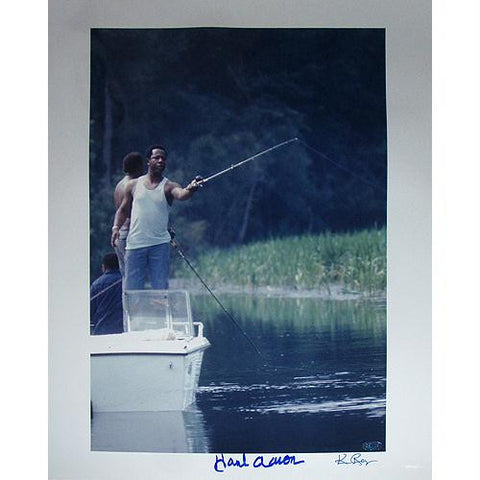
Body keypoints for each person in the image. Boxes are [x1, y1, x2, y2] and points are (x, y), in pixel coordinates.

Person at [111, 144, 202, 290]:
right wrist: (116, 227)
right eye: (156, 158)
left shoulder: (169, 186)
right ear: (148, 161)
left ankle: (161, 312)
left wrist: (192, 188)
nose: (160, 161)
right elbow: (122, 210)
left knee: (160, 288)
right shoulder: (133, 185)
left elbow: (182, 194)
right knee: (132, 289)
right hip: (135, 244)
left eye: (163, 159)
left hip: (159, 245)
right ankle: (134, 313)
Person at [113, 151, 144, 276]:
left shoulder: (119, 185)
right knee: (134, 276)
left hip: (119, 235)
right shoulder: (133, 186)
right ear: (139, 167)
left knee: (126, 274)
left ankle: (125, 296)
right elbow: (134, 213)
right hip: (131, 234)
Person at [90, 253, 123, 335]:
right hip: (122, 329)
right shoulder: (126, 282)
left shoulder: (96, 284)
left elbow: (90, 310)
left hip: (102, 329)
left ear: (104, 267)